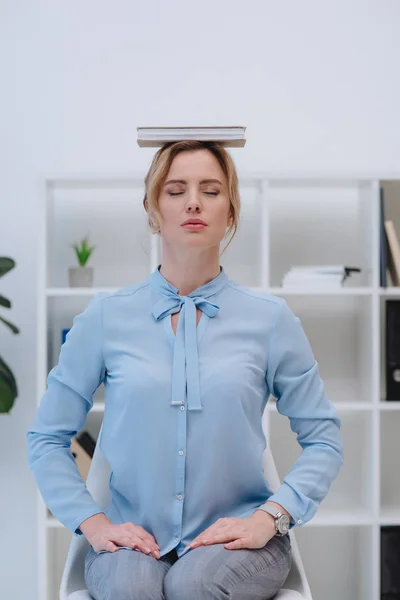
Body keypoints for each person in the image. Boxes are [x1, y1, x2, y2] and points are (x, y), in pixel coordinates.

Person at [27, 140, 344, 600]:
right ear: (154, 210)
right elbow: (45, 437)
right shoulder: (105, 317)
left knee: (193, 583)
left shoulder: (270, 319)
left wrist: (269, 518)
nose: (193, 201)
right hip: (133, 539)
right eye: (176, 190)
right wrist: (92, 522)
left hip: (242, 543)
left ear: (231, 212)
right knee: (132, 587)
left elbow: (324, 439)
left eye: (211, 190)